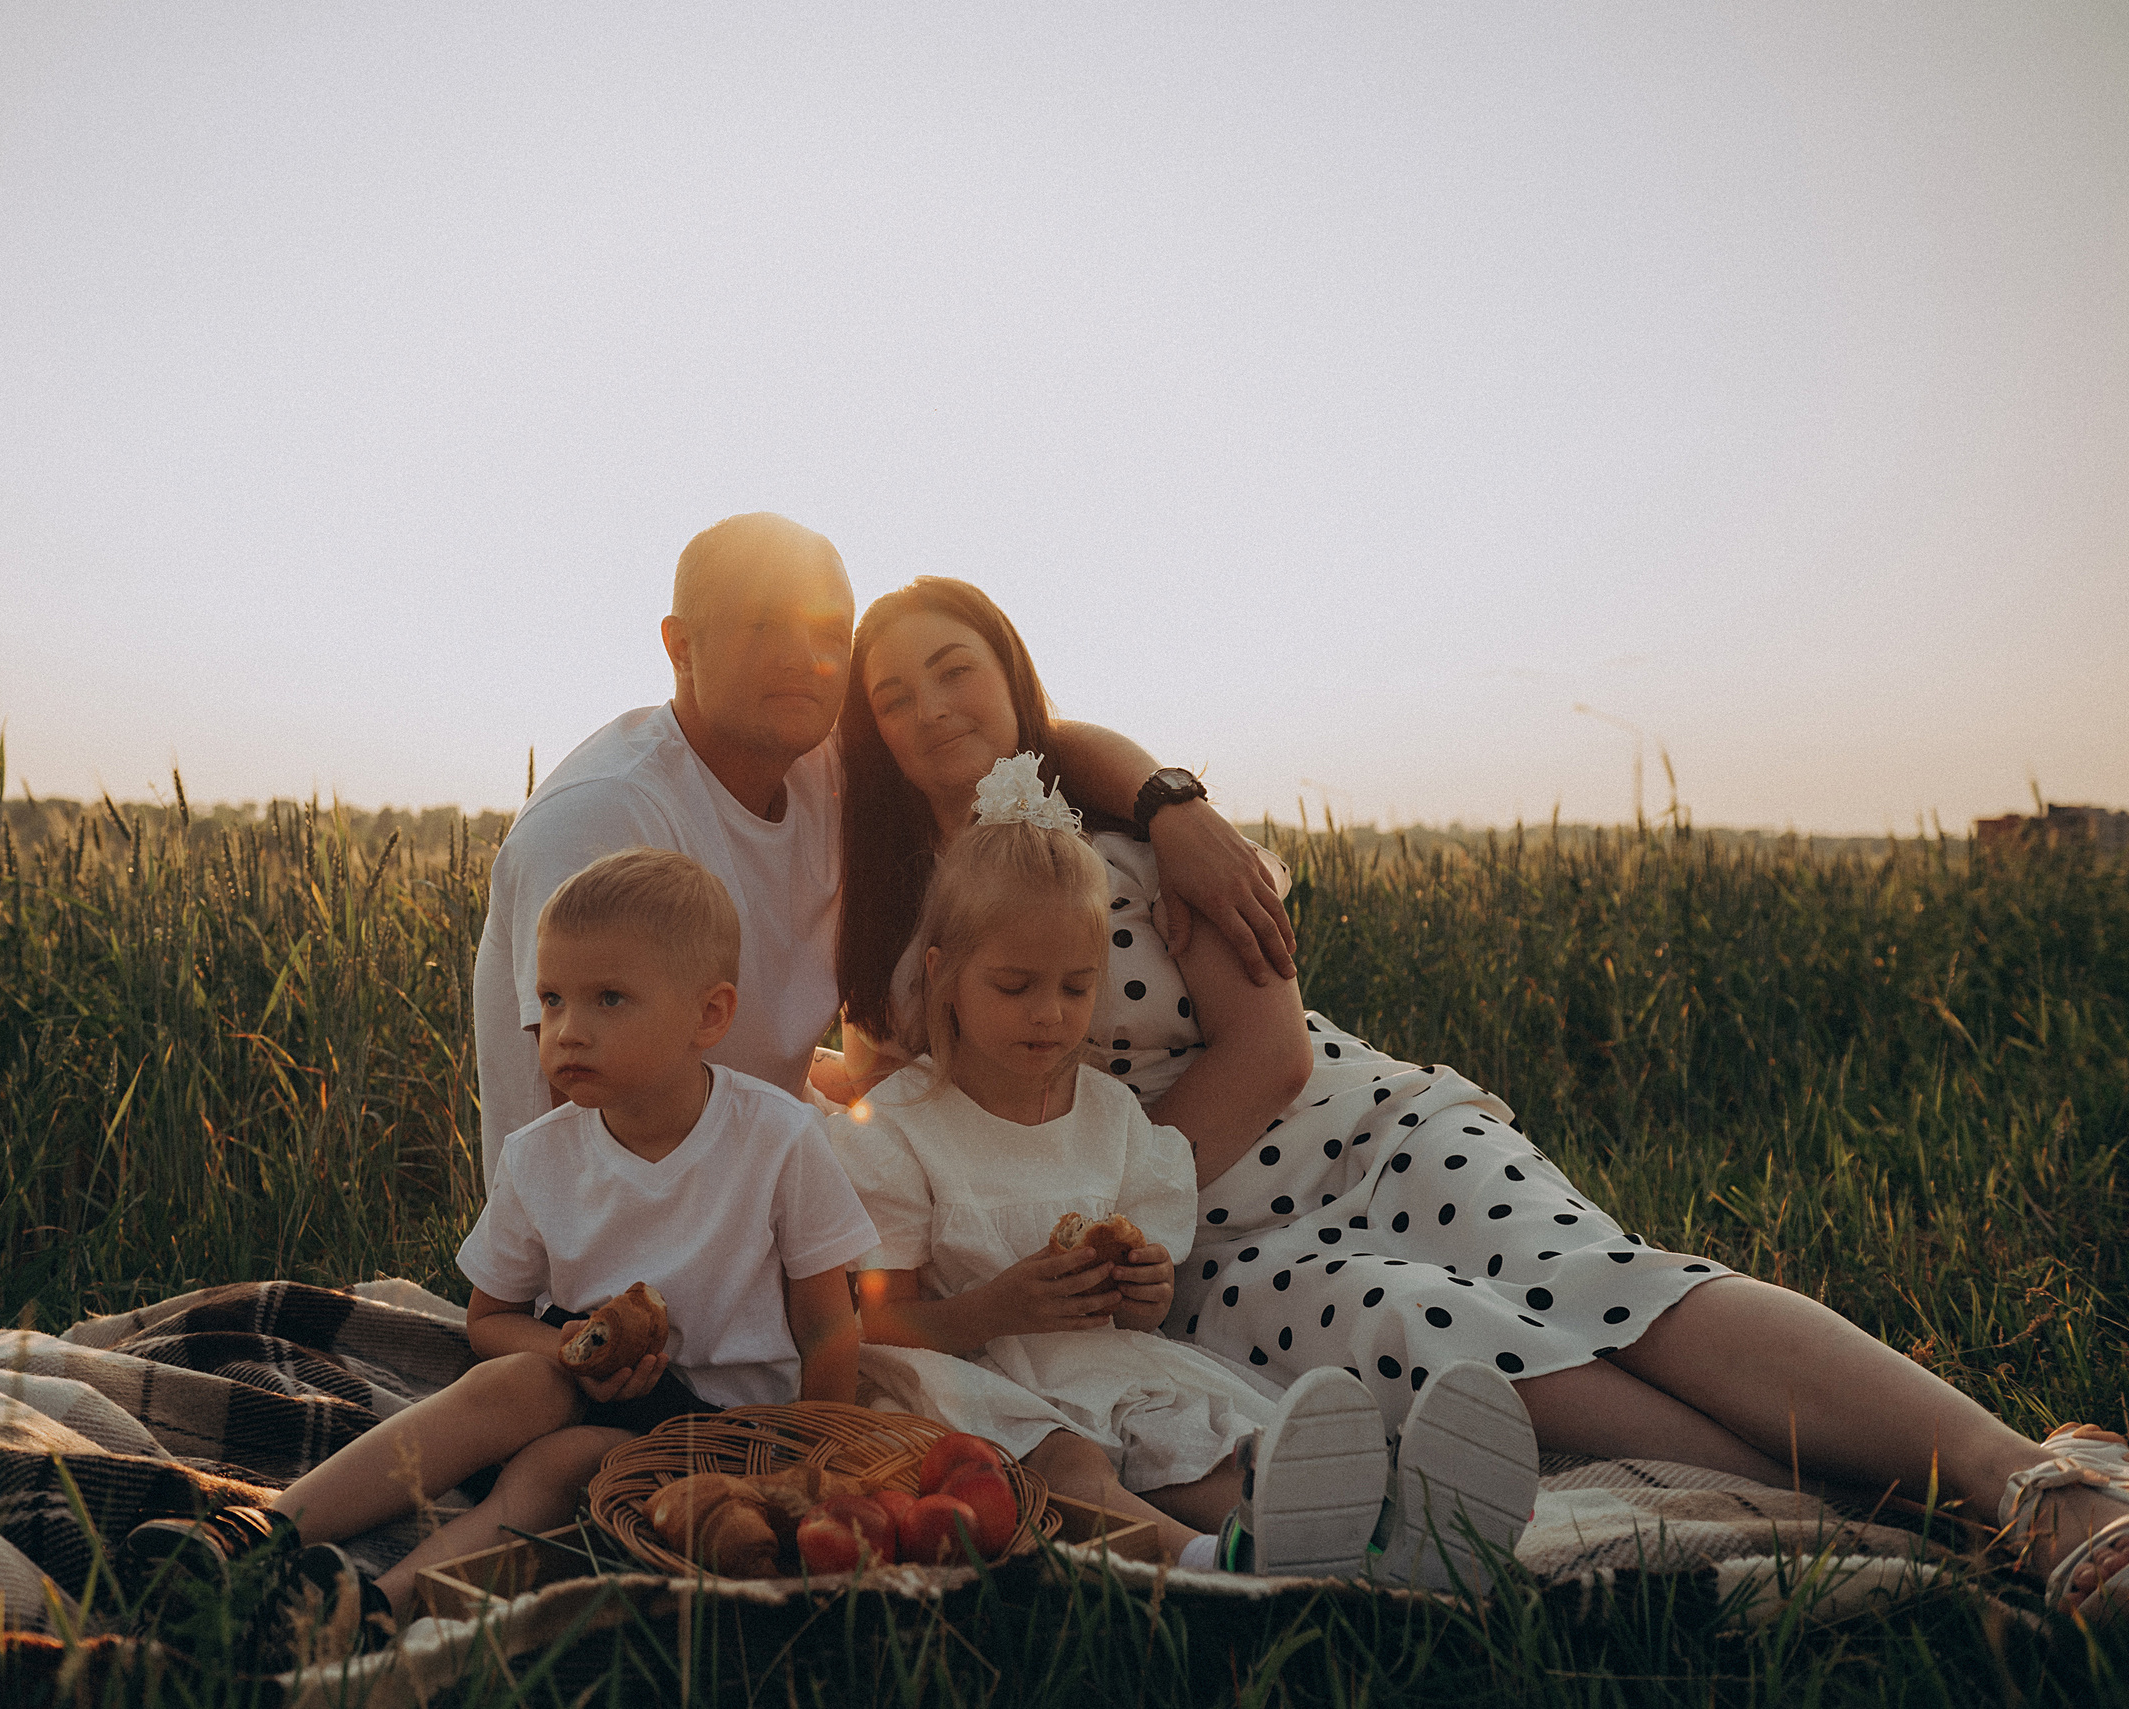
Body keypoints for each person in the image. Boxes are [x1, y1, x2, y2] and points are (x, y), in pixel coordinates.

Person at [835, 575, 2129, 1621]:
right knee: (1434, 1326)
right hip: (1205, 1251)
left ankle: (2025, 1476)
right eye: (894, 694)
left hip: (1351, 1130)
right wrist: (1098, 1220)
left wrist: (1105, 1180)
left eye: (956, 666)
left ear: (1012, 672)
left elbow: (1272, 1050)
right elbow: (914, 1113)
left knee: (1597, 1281)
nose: (933, 705)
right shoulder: (904, 926)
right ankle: (1905, 1504)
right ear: (876, 738)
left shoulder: (1143, 839)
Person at [130, 848, 877, 1655]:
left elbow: (827, 1326)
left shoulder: (777, 1140)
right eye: (552, 999)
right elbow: (490, 1318)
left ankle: (377, 1604)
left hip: (719, 1431)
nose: (569, 1029)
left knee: (564, 1461)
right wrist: (564, 1347)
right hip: (577, 1384)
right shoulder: (541, 1154)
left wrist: (802, 1467)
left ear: (709, 1014)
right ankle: (256, 1529)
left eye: (609, 998)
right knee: (518, 1377)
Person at [829, 773, 1538, 1586]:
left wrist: (1142, 1285)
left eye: (1076, 986)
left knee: (1198, 1433)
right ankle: (1206, 1558)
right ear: (943, 972)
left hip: (1105, 1364)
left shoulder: (1108, 1114)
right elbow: (876, 1322)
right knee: (1059, 1460)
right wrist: (995, 1307)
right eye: (1015, 986)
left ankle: (1392, 1531)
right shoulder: (905, 1126)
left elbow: (1152, 1303)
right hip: (969, 1377)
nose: (1051, 1014)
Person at [474, 512, 1299, 1187]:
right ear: (681, 646)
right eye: (764, 624)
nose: (806, 657)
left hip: (763, 1159)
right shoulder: (605, 816)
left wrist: (1169, 806)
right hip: (638, 1203)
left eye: (830, 631)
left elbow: (1016, 740)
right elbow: (574, 1122)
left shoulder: (817, 762)